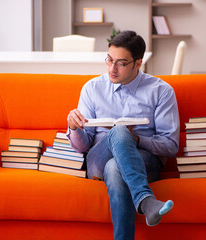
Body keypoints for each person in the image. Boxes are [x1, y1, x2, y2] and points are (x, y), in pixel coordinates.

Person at [66, 30, 180, 240]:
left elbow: (171, 145)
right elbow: (82, 147)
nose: (112, 68)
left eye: (121, 63)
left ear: (138, 63)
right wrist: (74, 128)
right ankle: (146, 200)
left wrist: (136, 139)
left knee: (115, 168)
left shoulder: (161, 91)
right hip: (98, 159)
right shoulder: (92, 88)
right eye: (109, 60)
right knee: (118, 133)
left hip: (144, 160)